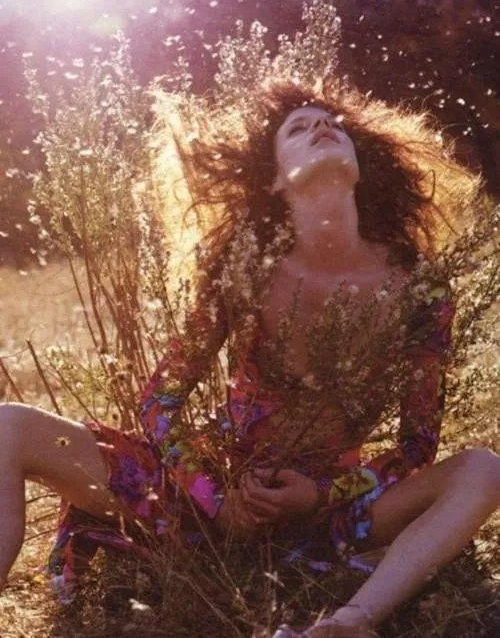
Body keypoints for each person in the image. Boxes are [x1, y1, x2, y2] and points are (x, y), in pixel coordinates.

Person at [0, 82, 498, 637]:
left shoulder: (421, 288)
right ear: (275, 178)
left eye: (333, 123)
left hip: (329, 512)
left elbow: (417, 445)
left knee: (484, 468)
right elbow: (159, 401)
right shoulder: (244, 273)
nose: (321, 127)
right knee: (9, 425)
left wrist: (320, 496)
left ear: (362, 162)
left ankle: (352, 621)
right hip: (205, 492)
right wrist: (215, 498)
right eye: (298, 128)